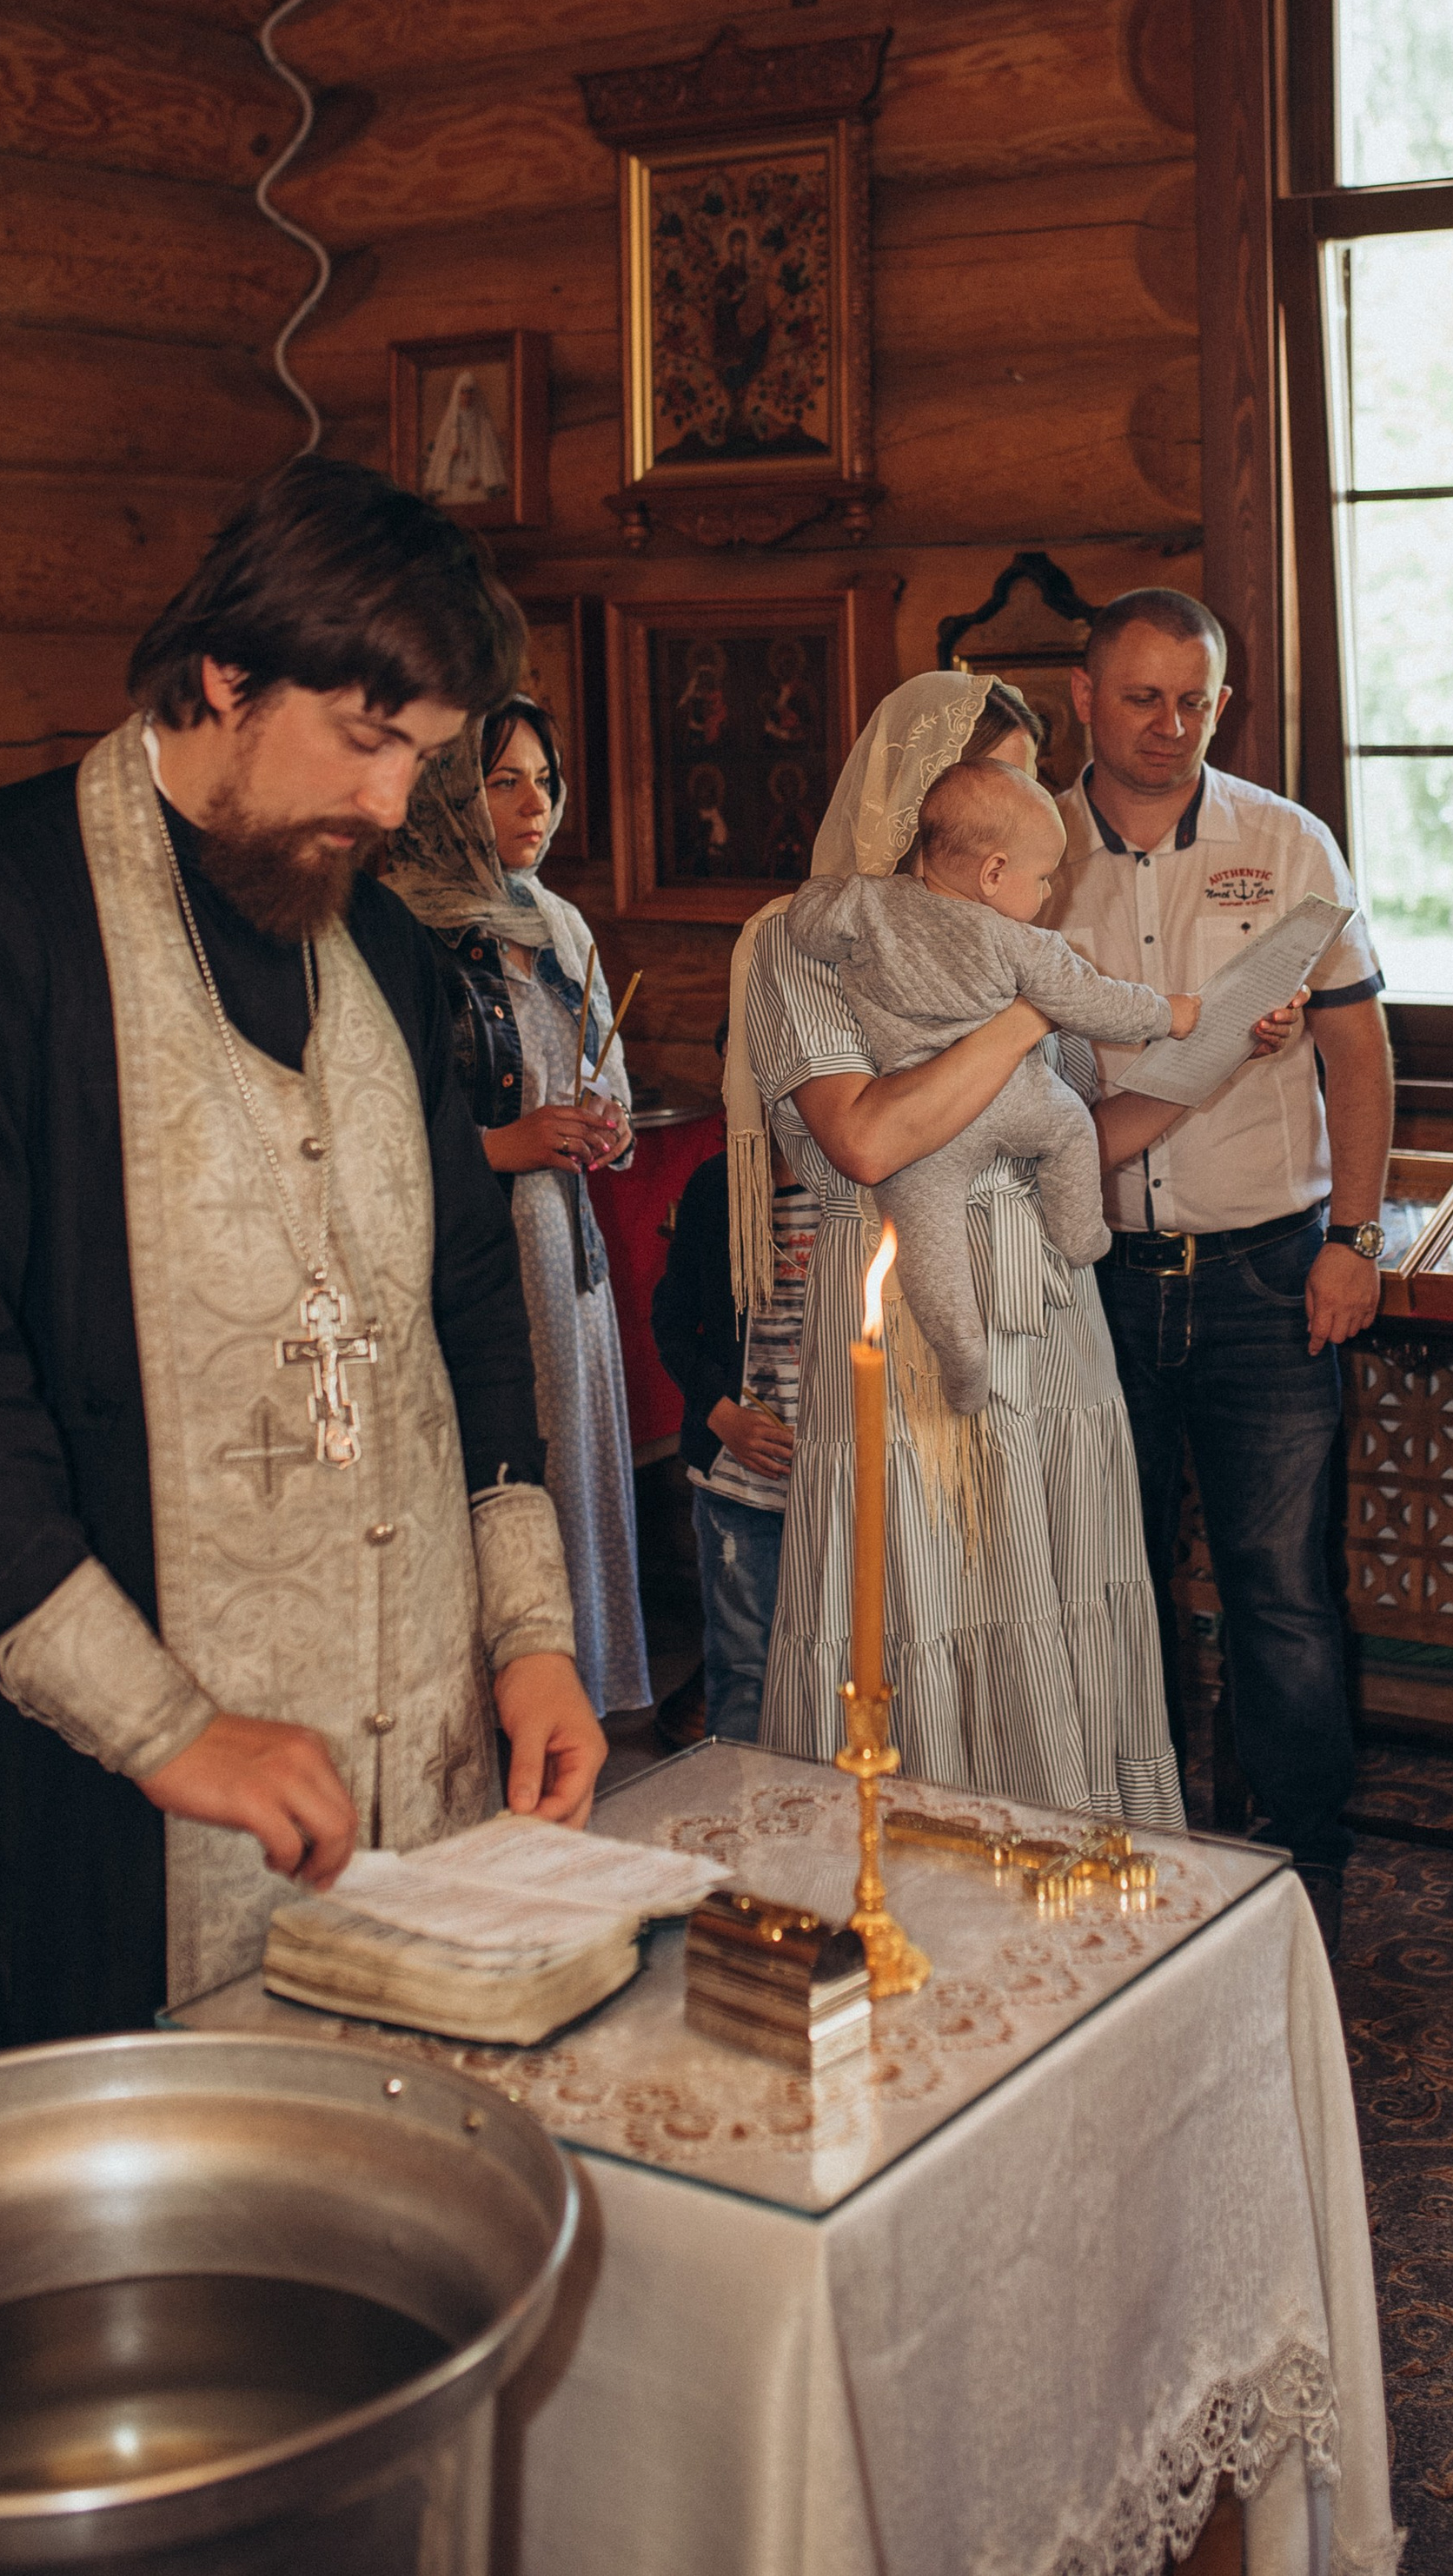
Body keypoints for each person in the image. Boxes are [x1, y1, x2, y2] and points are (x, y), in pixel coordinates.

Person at [0, 461, 607, 2076]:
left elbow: (467, 1297)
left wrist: (529, 1640)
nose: (392, 806)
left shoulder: (378, 948)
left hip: (420, 1791)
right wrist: (169, 1730)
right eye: (368, 740)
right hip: (92, 1831)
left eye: (427, 759)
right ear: (227, 673)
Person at [733, 672, 1184, 1831]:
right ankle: (902, 1874)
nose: (1031, 816)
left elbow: (1075, 1127)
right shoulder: (807, 941)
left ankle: (1072, 1873)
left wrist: (1218, 1050)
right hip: (904, 1312)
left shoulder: (1013, 950)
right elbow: (871, 1135)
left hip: (1048, 1305)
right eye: (1004, 788)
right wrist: (1032, 1008)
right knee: (916, 1587)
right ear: (928, 811)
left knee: (1059, 1574)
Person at [1055, 589, 1393, 1955]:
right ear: (1084, 698)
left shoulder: (1286, 839)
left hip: (1267, 1268)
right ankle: (1135, 1834)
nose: (1169, 725)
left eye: (1194, 699)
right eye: (1142, 697)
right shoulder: (1023, 846)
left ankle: (1307, 1852)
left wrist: (1356, 1240)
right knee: (1109, 1570)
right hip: (1090, 1276)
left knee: (1278, 1577)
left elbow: (1359, 1056)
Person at [385, 701, 652, 1718]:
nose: (534, 800)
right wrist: (504, 1144)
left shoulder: (558, 919)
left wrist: (607, 1126)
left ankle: (568, 1696)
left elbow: (605, 1074)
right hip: (474, 1255)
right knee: (496, 1474)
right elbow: (377, 1131)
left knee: (571, 1478)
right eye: (503, 779)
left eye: (545, 776)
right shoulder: (403, 930)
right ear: (452, 792)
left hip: (562, 1250)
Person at [786, 759, 1197, 1413]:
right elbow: (1099, 1005)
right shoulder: (1023, 942)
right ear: (994, 873)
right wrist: (1170, 1014)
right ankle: (1080, 1233)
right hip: (1014, 1097)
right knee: (1069, 1128)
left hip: (928, 1119)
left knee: (927, 1238)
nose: (1046, 896)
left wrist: (819, 892)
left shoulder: (867, 902)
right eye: (1042, 879)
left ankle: (961, 1353)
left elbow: (805, 922)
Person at [650, 1103, 815, 1745]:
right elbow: (672, 1321)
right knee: (744, 1670)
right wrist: (722, 1416)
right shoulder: (717, 1187)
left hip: (844, 1480)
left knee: (846, 1664)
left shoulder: (858, 1187)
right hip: (739, 1485)